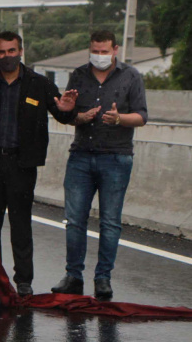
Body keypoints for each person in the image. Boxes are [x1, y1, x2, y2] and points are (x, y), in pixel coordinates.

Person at [0, 32, 77, 297]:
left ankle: (23, 280)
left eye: (12, 50)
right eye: (1, 52)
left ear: (21, 51)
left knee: (21, 222)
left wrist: (69, 107)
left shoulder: (39, 83)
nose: (7, 56)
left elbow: (61, 113)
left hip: (23, 163)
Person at [51, 31, 148, 299]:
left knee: (110, 222)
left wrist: (119, 119)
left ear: (115, 50)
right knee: (74, 220)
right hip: (81, 155)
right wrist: (72, 111)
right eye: (96, 51)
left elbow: (142, 116)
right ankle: (73, 275)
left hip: (116, 157)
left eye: (105, 52)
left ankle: (103, 278)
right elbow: (69, 118)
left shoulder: (131, 76)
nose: (100, 56)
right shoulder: (79, 75)